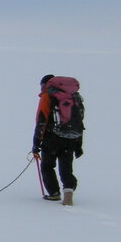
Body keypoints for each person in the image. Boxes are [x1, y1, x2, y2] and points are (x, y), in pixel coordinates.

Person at [32, 73, 84, 205]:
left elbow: (41, 120)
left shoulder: (47, 96)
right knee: (66, 168)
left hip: (52, 138)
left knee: (47, 166)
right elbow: (79, 122)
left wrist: (36, 143)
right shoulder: (74, 97)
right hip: (71, 138)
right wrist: (78, 144)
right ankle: (68, 194)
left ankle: (54, 193)